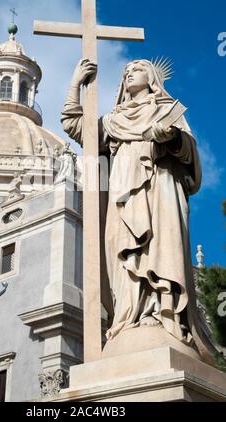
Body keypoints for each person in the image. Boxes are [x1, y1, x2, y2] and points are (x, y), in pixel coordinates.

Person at [61, 58, 213, 361]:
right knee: (125, 254)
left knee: (162, 247)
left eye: (137, 69)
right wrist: (76, 83)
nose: (129, 73)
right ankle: (130, 317)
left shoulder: (168, 110)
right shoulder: (113, 120)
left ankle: (164, 315)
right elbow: (76, 128)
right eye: (126, 72)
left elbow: (191, 157)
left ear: (153, 77)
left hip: (162, 190)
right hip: (123, 194)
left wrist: (172, 137)